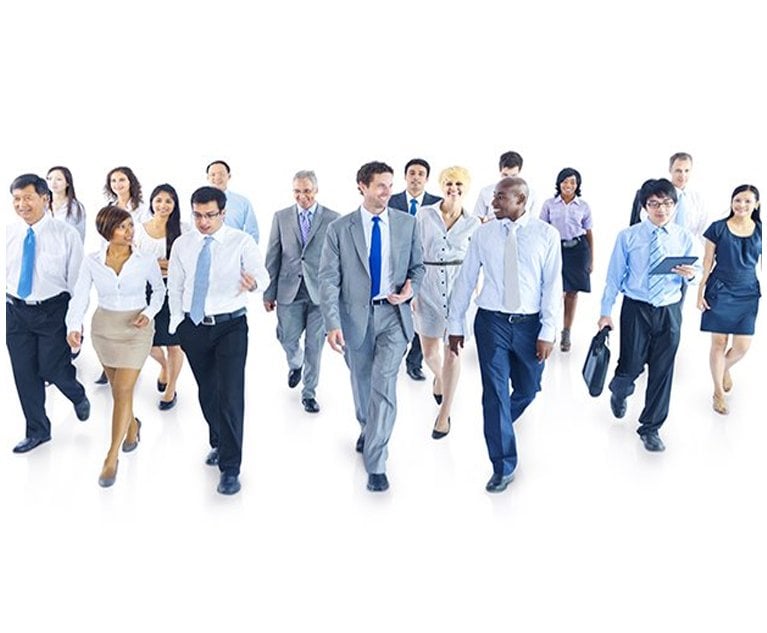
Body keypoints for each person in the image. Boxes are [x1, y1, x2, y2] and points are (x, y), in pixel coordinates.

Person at [448, 177, 561, 493]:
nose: (493, 203)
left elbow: (553, 285)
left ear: (521, 199)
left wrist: (549, 331)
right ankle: (503, 465)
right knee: (494, 392)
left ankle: (497, 425)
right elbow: (466, 278)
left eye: (500, 198)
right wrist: (455, 325)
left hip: (530, 326)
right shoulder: (483, 234)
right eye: (493, 197)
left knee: (529, 387)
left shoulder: (546, 235)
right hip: (491, 323)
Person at [319, 161, 424, 492]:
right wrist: (332, 323)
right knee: (362, 382)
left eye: (390, 185)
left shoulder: (407, 224)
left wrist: (410, 289)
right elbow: (328, 279)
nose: (387, 191)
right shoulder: (340, 228)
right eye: (380, 185)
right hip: (354, 320)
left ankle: (376, 462)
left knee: (384, 385)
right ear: (362, 186)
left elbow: (418, 267)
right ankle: (368, 426)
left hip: (394, 317)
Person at [167, 186, 269, 496]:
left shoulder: (241, 241)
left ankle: (230, 468)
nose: (203, 222)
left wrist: (253, 284)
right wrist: (177, 324)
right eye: (197, 215)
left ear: (223, 213)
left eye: (210, 215)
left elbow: (262, 276)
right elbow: (176, 285)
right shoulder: (183, 244)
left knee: (230, 395)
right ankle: (220, 441)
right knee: (207, 393)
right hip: (194, 326)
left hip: (230, 326)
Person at [66, 205, 164, 487]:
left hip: (137, 328)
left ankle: (111, 457)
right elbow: (81, 296)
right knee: (118, 390)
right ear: (108, 231)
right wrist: (74, 327)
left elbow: (159, 291)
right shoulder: (92, 261)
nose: (129, 231)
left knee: (123, 390)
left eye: (130, 225)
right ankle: (132, 427)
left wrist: (149, 313)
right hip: (105, 329)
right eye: (122, 227)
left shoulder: (145, 259)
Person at [598, 178, 698, 452]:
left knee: (663, 371)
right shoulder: (628, 236)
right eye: (654, 203)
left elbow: (697, 271)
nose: (661, 209)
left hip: (669, 310)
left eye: (667, 203)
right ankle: (619, 390)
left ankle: (651, 427)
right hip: (636, 309)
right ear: (644, 206)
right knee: (630, 366)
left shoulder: (684, 237)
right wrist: (605, 312)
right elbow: (614, 277)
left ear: (674, 206)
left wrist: (691, 275)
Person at [6, 174, 90, 454]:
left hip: (53, 311)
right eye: (16, 199)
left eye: (27, 197)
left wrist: (74, 324)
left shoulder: (66, 235)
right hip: (16, 311)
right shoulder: (8, 233)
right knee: (25, 374)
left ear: (45, 198)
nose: (21, 204)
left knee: (52, 369)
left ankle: (77, 393)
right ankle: (38, 431)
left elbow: (78, 285)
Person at [263, 170, 339, 413]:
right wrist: (268, 292)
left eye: (307, 191)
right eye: (297, 191)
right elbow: (272, 255)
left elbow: (341, 259)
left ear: (316, 190)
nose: (302, 196)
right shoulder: (281, 217)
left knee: (315, 345)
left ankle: (309, 392)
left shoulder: (333, 218)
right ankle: (295, 363)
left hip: (320, 294)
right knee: (286, 336)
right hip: (288, 290)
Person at [414, 166, 480, 439]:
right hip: (427, 287)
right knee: (430, 353)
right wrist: (412, 291)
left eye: (459, 184)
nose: (454, 188)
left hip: (459, 290)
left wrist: (478, 287)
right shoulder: (424, 215)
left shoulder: (474, 222)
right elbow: (413, 252)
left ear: (466, 188)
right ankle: (440, 377)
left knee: (453, 351)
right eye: (449, 183)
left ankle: (444, 415)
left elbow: (478, 258)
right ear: (442, 186)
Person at [697, 185, 762, 415]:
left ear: (756, 205)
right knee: (719, 343)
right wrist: (700, 292)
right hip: (720, 289)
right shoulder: (717, 228)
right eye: (737, 200)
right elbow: (707, 263)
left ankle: (724, 368)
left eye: (747, 201)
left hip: (747, 291)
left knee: (742, 346)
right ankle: (717, 392)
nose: (741, 205)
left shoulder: (760, 229)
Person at [133, 184, 188, 410]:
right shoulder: (139, 229)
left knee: (175, 343)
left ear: (175, 205)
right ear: (151, 202)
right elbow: (133, 260)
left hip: (175, 291)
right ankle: (164, 366)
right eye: (159, 200)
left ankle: (171, 389)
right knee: (145, 341)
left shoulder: (183, 230)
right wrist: (161, 264)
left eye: (168, 201)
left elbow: (186, 263)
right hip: (144, 290)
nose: (163, 205)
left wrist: (157, 265)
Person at [388, 158, 442, 382]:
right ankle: (395, 351)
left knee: (425, 314)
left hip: (427, 267)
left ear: (427, 179)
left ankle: (414, 360)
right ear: (405, 176)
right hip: (396, 265)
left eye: (421, 173)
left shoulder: (437, 203)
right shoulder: (391, 201)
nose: (416, 177)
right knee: (398, 310)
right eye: (412, 173)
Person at [540, 168, 594, 352]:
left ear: (577, 185)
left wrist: (591, 260)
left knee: (572, 293)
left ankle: (566, 332)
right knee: (554, 292)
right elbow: (542, 231)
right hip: (555, 249)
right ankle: (549, 332)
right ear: (559, 183)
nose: (568, 185)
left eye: (572, 182)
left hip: (578, 251)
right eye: (565, 181)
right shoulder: (549, 204)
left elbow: (589, 234)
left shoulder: (583, 206)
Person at [629, 152, 707, 239]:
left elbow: (702, 230)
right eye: (678, 170)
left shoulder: (697, 199)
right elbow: (646, 223)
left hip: (688, 248)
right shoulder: (655, 195)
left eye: (687, 171)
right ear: (670, 170)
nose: (683, 175)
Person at [473, 150, 539, 222]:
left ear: (519, 172)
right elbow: (476, 220)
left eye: (513, 176)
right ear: (500, 171)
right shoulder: (485, 192)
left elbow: (533, 221)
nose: (509, 180)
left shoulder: (530, 194)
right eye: (505, 175)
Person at [206, 160, 260, 243]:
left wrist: (246, 253)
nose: (217, 178)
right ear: (208, 178)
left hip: (235, 251)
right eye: (213, 174)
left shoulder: (242, 202)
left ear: (229, 176)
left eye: (221, 174)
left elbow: (252, 232)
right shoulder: (199, 204)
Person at [47, 166, 86, 242]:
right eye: (49, 178)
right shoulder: (42, 205)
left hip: (66, 251)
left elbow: (80, 236)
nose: (53, 182)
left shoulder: (76, 207)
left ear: (67, 183)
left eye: (59, 179)